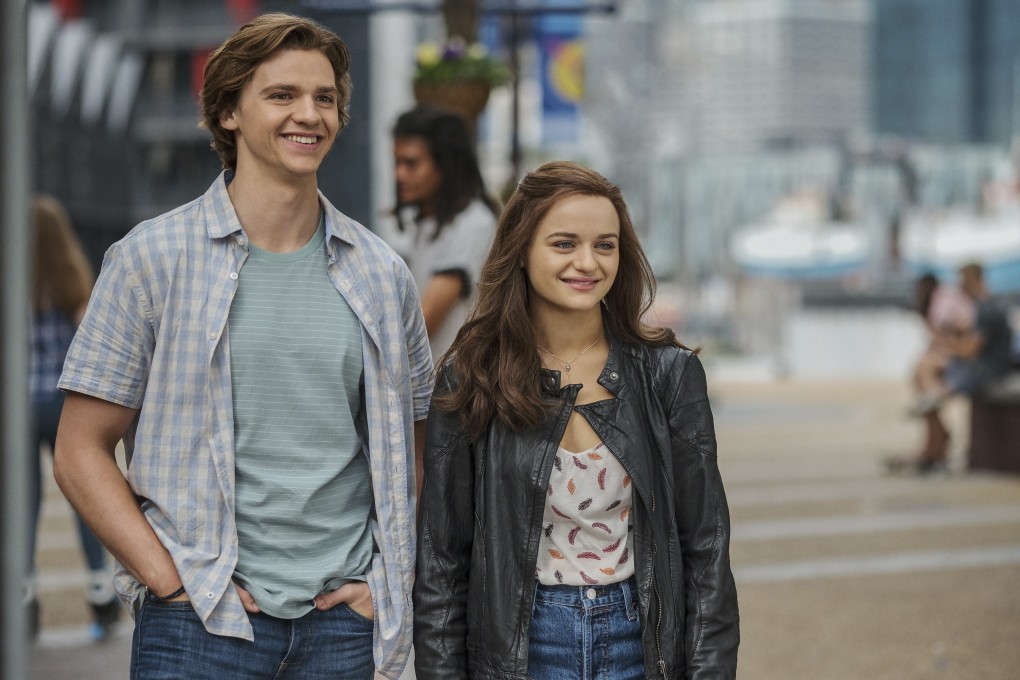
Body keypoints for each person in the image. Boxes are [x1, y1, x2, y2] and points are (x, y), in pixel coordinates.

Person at [52, 13, 432, 680]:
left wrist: (381, 587)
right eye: (282, 95)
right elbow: (80, 450)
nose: (308, 115)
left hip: (344, 627)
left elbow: (416, 447)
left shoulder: (382, 274)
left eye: (324, 97)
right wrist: (169, 582)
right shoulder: (151, 259)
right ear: (228, 110)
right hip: (200, 625)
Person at [413, 161, 739, 679]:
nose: (587, 262)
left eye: (605, 245)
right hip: (521, 648)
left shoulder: (670, 375)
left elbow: (706, 551)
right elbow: (440, 564)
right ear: (521, 251)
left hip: (641, 640)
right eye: (564, 243)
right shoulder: (472, 376)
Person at [26, 195, 121, 641]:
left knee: (22, 504)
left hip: (19, 406)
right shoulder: (73, 282)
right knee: (82, 497)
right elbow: (90, 344)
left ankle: (25, 595)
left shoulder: (16, 283)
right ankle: (101, 593)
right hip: (62, 403)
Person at [392, 104, 498, 358]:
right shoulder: (428, 222)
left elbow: (422, 324)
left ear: (446, 165)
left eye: (411, 163)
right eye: (397, 162)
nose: (400, 174)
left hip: (455, 391)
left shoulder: (472, 224)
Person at [899, 263, 1013, 473]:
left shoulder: (987, 308)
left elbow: (970, 350)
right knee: (925, 370)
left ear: (974, 280)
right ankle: (934, 441)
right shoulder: (983, 307)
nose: (959, 286)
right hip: (984, 366)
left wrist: (946, 344)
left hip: (986, 370)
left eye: (963, 281)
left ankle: (935, 439)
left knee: (928, 376)